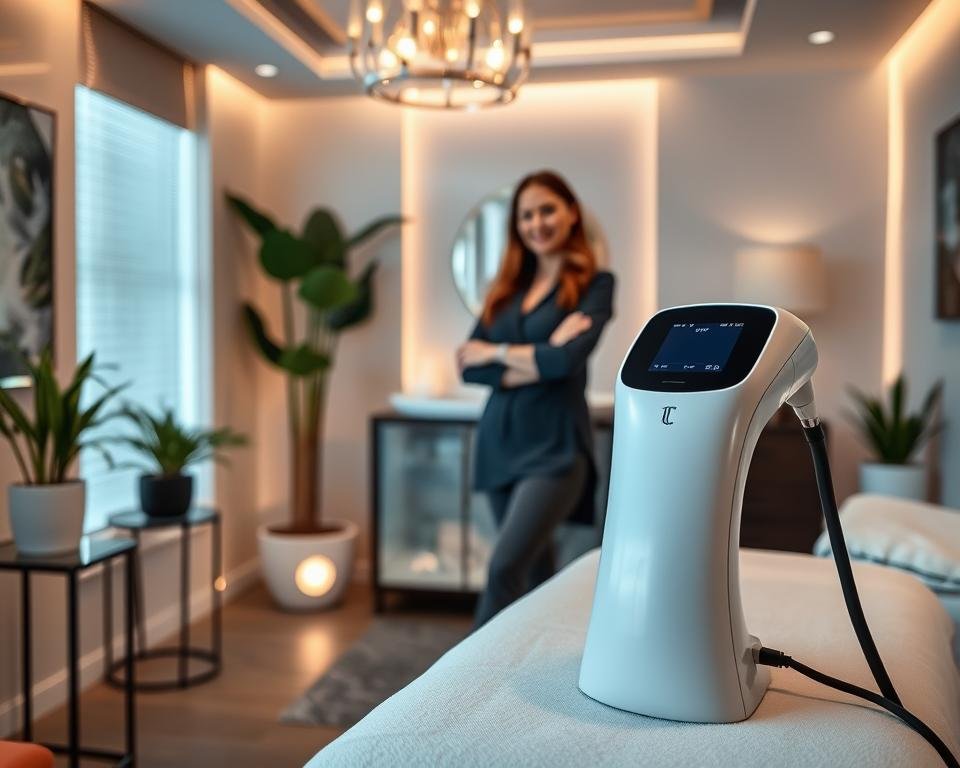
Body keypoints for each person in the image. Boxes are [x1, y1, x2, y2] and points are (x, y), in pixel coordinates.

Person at [456, 170, 615, 628]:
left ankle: (468, 682)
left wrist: (500, 351)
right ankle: (534, 668)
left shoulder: (595, 285)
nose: (536, 223)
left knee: (503, 567)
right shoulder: (504, 289)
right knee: (536, 574)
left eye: (547, 209)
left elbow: (567, 363)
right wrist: (541, 355)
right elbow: (471, 367)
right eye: (526, 215)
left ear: (571, 213)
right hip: (499, 441)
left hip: (556, 448)